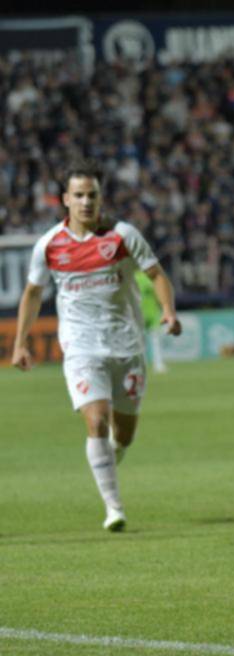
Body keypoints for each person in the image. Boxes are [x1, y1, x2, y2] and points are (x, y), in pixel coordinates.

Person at [11, 159, 182, 531]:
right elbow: (32, 292)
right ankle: (114, 508)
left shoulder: (122, 235)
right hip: (81, 345)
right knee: (96, 419)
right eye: (79, 195)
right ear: (65, 200)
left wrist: (168, 310)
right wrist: (20, 343)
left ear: (101, 197)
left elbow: (156, 274)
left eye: (92, 195)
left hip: (126, 344)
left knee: (123, 435)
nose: (86, 202)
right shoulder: (50, 245)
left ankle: (108, 456)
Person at [135, 270, 168, 373]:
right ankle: (150, 365)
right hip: (142, 314)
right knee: (144, 342)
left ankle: (157, 364)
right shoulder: (137, 277)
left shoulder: (147, 277)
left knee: (152, 341)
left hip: (150, 314)